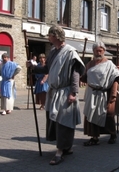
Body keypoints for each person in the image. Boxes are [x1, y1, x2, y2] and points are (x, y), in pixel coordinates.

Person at [26, 25, 85, 166]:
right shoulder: (53, 51)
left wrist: (74, 92)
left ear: (56, 36)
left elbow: (75, 74)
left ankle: (59, 152)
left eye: (50, 35)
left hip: (65, 91)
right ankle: (66, 147)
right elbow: (47, 68)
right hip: (53, 92)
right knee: (55, 121)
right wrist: (33, 67)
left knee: (63, 122)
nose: (48, 37)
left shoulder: (70, 52)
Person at [80, 42, 119, 146]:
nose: (98, 52)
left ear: (104, 51)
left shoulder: (109, 64)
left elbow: (116, 78)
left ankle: (112, 135)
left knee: (108, 115)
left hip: (104, 94)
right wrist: (81, 72)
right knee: (91, 115)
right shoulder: (89, 64)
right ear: (93, 51)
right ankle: (94, 137)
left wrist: (113, 95)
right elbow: (85, 78)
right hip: (91, 93)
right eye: (96, 50)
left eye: (100, 50)